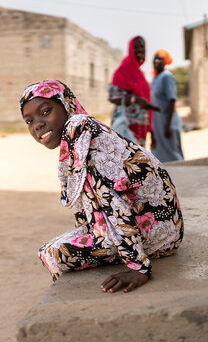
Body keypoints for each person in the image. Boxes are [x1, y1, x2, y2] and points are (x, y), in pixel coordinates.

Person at [20, 79, 184, 293]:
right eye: (29, 121)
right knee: (56, 248)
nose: (37, 124)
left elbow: (111, 201)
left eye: (46, 111)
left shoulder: (80, 134)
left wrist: (139, 267)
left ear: (66, 105)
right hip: (162, 224)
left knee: (51, 254)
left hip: (158, 232)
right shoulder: (82, 128)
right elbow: (90, 202)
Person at [110, 36, 155, 147]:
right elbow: (113, 97)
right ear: (130, 49)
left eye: (142, 47)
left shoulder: (140, 73)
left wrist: (151, 129)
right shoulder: (123, 69)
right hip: (127, 124)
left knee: (139, 160)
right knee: (126, 159)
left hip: (140, 125)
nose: (140, 50)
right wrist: (135, 99)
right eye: (136, 47)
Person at [151, 49, 185, 162]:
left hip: (167, 121)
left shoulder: (167, 77)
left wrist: (167, 126)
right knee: (159, 154)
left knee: (172, 153)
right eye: (155, 58)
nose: (156, 61)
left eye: (160, 58)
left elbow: (172, 100)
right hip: (157, 122)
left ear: (165, 61)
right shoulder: (155, 78)